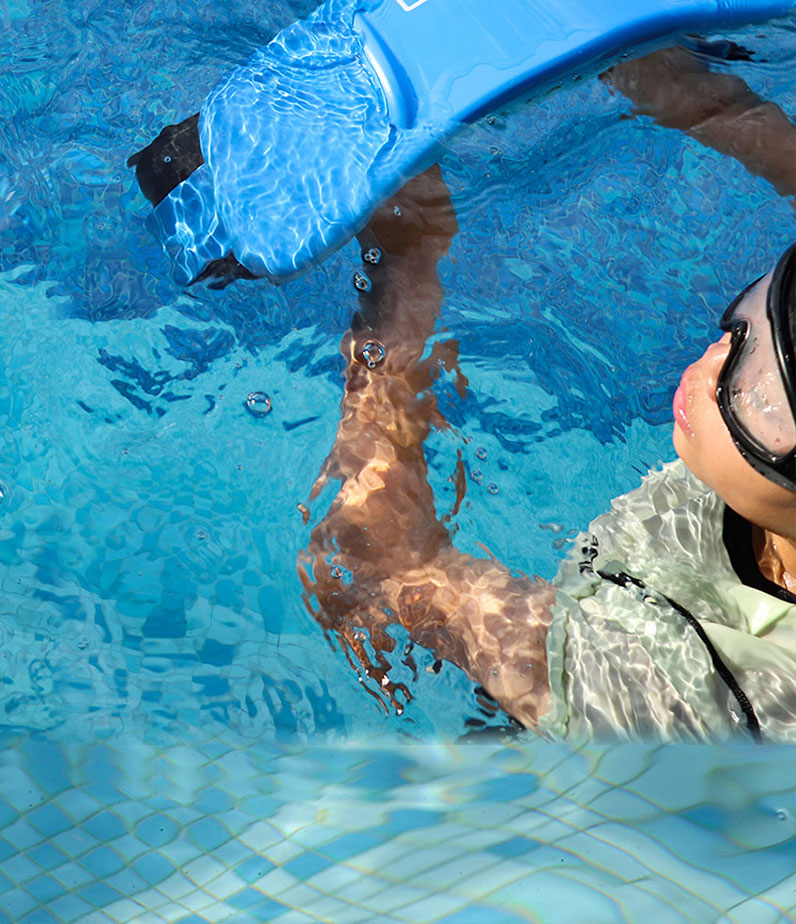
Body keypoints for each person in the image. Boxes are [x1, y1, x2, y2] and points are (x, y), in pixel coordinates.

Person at [299, 43, 796, 740]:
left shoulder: (679, 694)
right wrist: (676, 85)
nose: (717, 359)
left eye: (764, 392)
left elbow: (376, 562)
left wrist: (407, 262)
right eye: (765, 312)